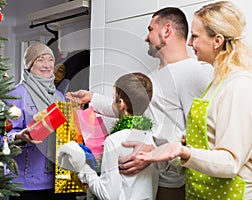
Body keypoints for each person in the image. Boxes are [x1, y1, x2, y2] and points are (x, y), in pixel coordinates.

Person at [66, 7, 213, 200]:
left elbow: (202, 133)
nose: (146, 37)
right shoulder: (153, 77)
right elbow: (128, 107)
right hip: (147, 180)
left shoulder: (195, 72)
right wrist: (91, 97)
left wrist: (155, 154)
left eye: (151, 29)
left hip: (172, 182)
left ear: (166, 31)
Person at [134, 1, 252, 199]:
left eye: (195, 36)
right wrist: (168, 147)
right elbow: (208, 138)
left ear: (217, 40)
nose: (189, 43)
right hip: (202, 191)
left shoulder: (238, 84)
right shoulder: (218, 82)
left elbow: (231, 161)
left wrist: (183, 151)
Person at [58, 72, 161, 200]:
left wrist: (84, 168)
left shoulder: (114, 141)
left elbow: (108, 195)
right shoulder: (153, 140)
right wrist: (91, 97)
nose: (112, 101)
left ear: (121, 103)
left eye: (113, 98)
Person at [1, 42, 65, 200]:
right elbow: (1, 139)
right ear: (29, 65)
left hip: (57, 181)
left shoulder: (59, 96)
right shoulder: (16, 94)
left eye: (50, 60)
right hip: (24, 183)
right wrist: (19, 136)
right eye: (40, 60)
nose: (47, 65)